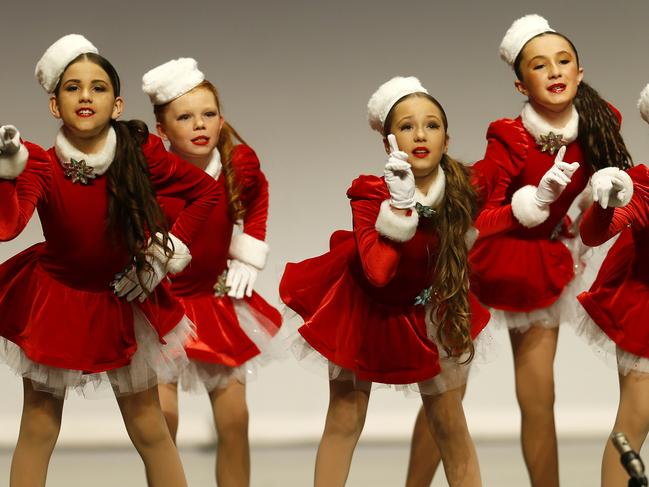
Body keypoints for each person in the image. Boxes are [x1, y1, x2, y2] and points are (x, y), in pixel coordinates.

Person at [405, 14, 632, 487]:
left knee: (538, 396)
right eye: (539, 65)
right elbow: (477, 213)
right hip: (483, 262)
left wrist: (593, 205)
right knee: (447, 394)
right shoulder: (508, 134)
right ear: (520, 84)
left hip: (541, 268)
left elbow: (594, 218)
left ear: (580, 71)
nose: (554, 71)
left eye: (563, 61)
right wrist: (526, 205)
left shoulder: (600, 123)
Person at [0, 34, 222, 487]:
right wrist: (6, 173)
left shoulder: (139, 155)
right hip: (56, 304)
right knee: (39, 427)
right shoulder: (40, 164)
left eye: (98, 87)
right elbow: (9, 225)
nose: (86, 95)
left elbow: (206, 191)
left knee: (149, 427)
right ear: (54, 106)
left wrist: (162, 255)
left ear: (117, 105)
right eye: (72, 87)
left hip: (122, 300)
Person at [280, 76, 490, 487]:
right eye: (407, 126)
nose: (420, 134)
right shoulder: (370, 193)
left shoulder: (463, 191)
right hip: (363, 308)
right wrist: (400, 205)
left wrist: (536, 202)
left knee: (449, 422)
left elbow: (489, 227)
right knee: (346, 415)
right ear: (388, 142)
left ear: (447, 140)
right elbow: (377, 272)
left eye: (431, 125)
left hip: (425, 308)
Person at [141, 57, 281, 486]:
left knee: (235, 419)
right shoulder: (151, 173)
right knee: (162, 421)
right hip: (162, 308)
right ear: (163, 131)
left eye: (209, 114)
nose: (200, 125)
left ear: (221, 119)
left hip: (215, 302)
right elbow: (134, 219)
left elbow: (257, 197)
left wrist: (246, 255)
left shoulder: (237, 163)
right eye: (185, 117)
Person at [576, 84, 648, 487]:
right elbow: (593, 234)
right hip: (645, 321)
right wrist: (606, 202)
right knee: (633, 426)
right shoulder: (642, 185)